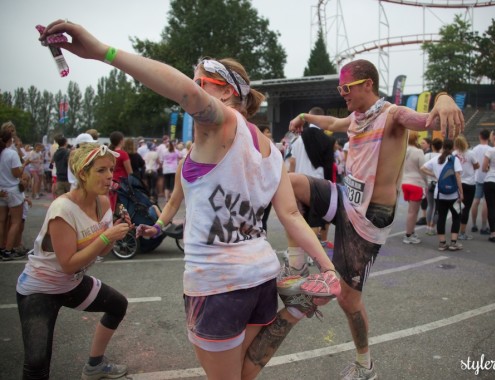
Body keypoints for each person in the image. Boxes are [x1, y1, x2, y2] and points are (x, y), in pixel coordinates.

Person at [39, 20, 340, 379]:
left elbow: (188, 96)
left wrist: (103, 51)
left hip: (217, 283)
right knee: (243, 373)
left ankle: (293, 312)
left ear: (227, 93)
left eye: (200, 83)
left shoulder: (221, 123)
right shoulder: (272, 151)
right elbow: (290, 214)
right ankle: (293, 312)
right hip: (260, 275)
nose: (191, 91)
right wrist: (328, 269)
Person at [287, 59, 463, 378]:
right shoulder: (355, 117)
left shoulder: (393, 115)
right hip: (346, 199)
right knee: (291, 183)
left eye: (346, 87)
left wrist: (445, 97)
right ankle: (296, 265)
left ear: (367, 84)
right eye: (340, 88)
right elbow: (330, 121)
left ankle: (365, 364)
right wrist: (304, 116)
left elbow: (427, 120)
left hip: (370, 219)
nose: (342, 94)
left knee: (348, 302)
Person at [16, 142, 132, 380]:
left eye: (111, 169)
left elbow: (101, 251)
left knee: (117, 305)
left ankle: (95, 365)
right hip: (41, 289)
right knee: (36, 364)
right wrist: (105, 236)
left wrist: (118, 232)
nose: (109, 176)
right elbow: (68, 263)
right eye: (101, 170)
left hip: (71, 283)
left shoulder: (102, 202)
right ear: (82, 173)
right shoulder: (63, 209)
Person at [289, 106, 336, 249]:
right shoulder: (328, 140)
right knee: (315, 220)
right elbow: (329, 167)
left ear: (309, 117)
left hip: (298, 183)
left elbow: (292, 161)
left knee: (299, 220)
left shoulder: (297, 140)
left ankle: (297, 250)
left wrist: (290, 183)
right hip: (318, 185)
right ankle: (312, 251)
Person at [421, 139, 463, 251]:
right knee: (456, 217)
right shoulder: (455, 160)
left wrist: (435, 175)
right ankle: (453, 243)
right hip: (453, 194)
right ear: (453, 147)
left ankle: (442, 243)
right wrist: (461, 193)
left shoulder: (436, 159)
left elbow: (422, 168)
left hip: (439, 194)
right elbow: (458, 177)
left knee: (441, 217)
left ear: (442, 147)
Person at [0, 129, 30, 261]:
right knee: (15, 222)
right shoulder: (11, 154)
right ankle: (8, 250)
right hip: (12, 189)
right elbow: (16, 174)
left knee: (1, 221)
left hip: (1, 189)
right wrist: (24, 165)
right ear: (9, 140)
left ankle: (1, 247)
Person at [401, 131, 426, 244]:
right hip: (416, 183)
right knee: (413, 212)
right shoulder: (418, 152)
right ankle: (408, 234)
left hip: (405, 182)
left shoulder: (402, 151)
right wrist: (427, 182)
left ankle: (411, 231)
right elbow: (423, 168)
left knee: (411, 211)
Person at [453, 135, 479, 240]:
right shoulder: (471, 153)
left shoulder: (453, 155)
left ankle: (454, 229)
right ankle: (462, 232)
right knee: (466, 208)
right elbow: (477, 165)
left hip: (457, 183)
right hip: (469, 183)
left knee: (456, 207)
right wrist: (470, 168)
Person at [471, 129, 491, 234]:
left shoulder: (475, 149)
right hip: (488, 177)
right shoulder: (491, 149)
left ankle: (474, 224)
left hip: (477, 176)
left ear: (480, 136)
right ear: (489, 137)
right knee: (486, 203)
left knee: (476, 201)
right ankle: (484, 226)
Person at [108, 131, 132, 212]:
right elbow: (129, 172)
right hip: (122, 183)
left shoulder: (110, 153)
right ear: (121, 141)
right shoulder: (123, 154)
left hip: (112, 181)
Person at [424, 138, 442, 236]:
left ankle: (427, 227)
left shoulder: (427, 156)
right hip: (439, 184)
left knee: (430, 206)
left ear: (432, 146)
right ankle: (433, 226)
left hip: (429, 183)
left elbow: (423, 168)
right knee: (437, 207)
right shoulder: (443, 157)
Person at [417, 136, 432, 226]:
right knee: (425, 199)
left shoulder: (428, 154)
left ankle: (425, 217)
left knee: (426, 199)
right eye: (421, 143)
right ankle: (425, 216)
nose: (421, 144)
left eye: (423, 143)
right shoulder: (423, 152)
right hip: (424, 178)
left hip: (427, 179)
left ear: (429, 144)